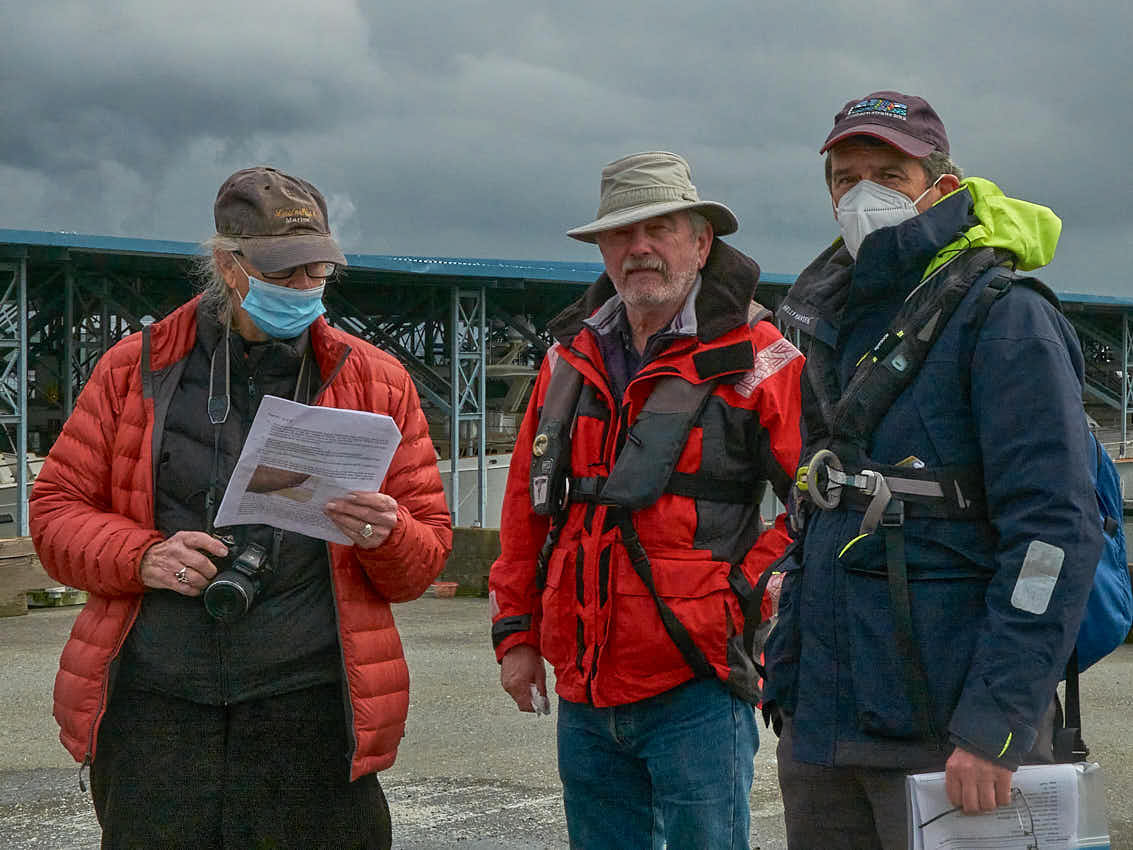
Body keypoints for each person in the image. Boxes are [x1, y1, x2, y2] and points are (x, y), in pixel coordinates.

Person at [29, 166, 453, 848]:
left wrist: (388, 534)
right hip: (159, 708)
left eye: (317, 272)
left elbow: (422, 560)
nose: (304, 290)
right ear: (229, 265)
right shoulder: (132, 370)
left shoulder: (375, 380)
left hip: (310, 704)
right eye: (285, 274)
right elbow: (53, 515)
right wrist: (143, 556)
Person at [764, 91, 1103, 848]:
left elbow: (1053, 531)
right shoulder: (826, 317)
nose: (862, 195)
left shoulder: (1004, 317)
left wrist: (997, 722)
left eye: (889, 172)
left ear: (941, 187)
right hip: (823, 729)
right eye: (844, 178)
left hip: (948, 737)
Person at [489, 151, 804, 849]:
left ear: (700, 241)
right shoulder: (567, 360)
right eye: (620, 235)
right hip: (585, 683)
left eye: (659, 229)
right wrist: (516, 637)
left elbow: (815, 502)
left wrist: (739, 594)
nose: (638, 249)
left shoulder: (759, 356)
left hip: (693, 683)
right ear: (601, 251)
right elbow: (525, 509)